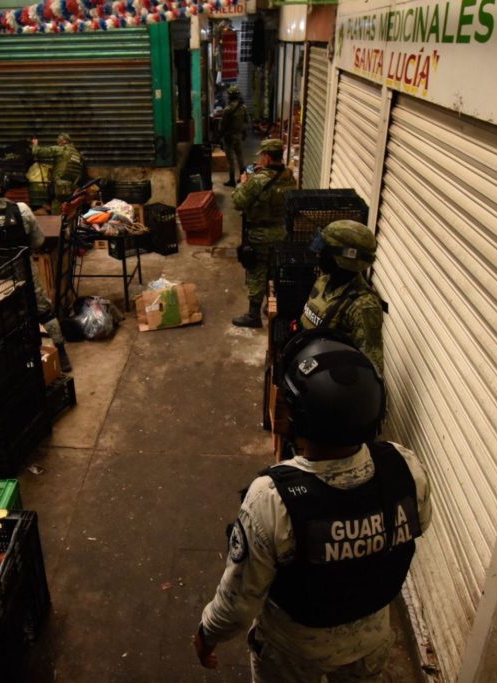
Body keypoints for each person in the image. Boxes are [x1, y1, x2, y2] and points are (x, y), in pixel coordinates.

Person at [193, 330, 431, 682]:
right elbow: (417, 526)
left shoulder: (271, 500)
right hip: (370, 646)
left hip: (293, 654)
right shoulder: (406, 467)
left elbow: (238, 604)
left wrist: (205, 636)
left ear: (299, 419)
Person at [0, 166, 73, 372]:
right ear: (5, 185)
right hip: (26, 273)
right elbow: (38, 241)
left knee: (2, 320)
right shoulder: (22, 210)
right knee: (43, 311)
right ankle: (60, 353)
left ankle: (12, 360)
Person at [300, 220, 385, 372]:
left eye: (324, 250)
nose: (318, 253)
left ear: (345, 257)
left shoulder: (363, 306)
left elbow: (370, 369)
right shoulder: (324, 281)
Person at [232, 138, 297, 329]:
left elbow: (238, 202)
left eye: (262, 156)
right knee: (273, 271)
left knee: (256, 272)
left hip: (259, 234)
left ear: (267, 157)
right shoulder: (288, 176)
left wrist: (242, 183)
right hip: (280, 232)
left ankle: (253, 316)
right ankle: (271, 307)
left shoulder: (258, 180)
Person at [31, 133, 84, 212]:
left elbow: (38, 152)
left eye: (59, 141)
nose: (58, 143)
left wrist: (35, 144)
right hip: (72, 189)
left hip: (59, 187)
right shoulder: (78, 154)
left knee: (56, 214)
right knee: (69, 212)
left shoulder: (61, 150)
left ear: (64, 141)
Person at [220, 85, 250, 187]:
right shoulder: (244, 108)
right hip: (238, 135)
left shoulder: (227, 109)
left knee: (231, 159)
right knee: (240, 157)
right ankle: (242, 178)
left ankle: (232, 180)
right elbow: (247, 122)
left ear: (229, 96)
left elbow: (222, 125)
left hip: (229, 137)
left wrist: (220, 135)